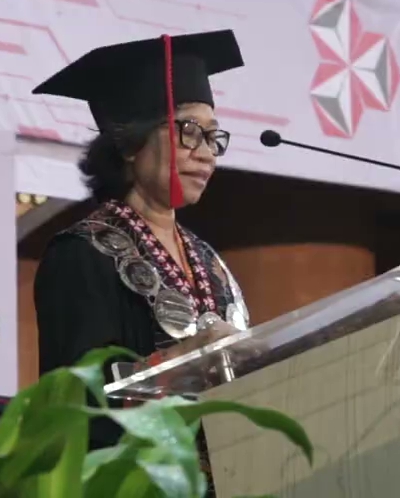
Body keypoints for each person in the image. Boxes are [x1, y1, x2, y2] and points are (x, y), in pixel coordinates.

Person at [31, 29, 251, 450]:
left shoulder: (209, 260)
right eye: (189, 131)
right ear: (130, 142)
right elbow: (76, 402)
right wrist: (184, 360)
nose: (206, 153)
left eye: (212, 137)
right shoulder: (82, 254)